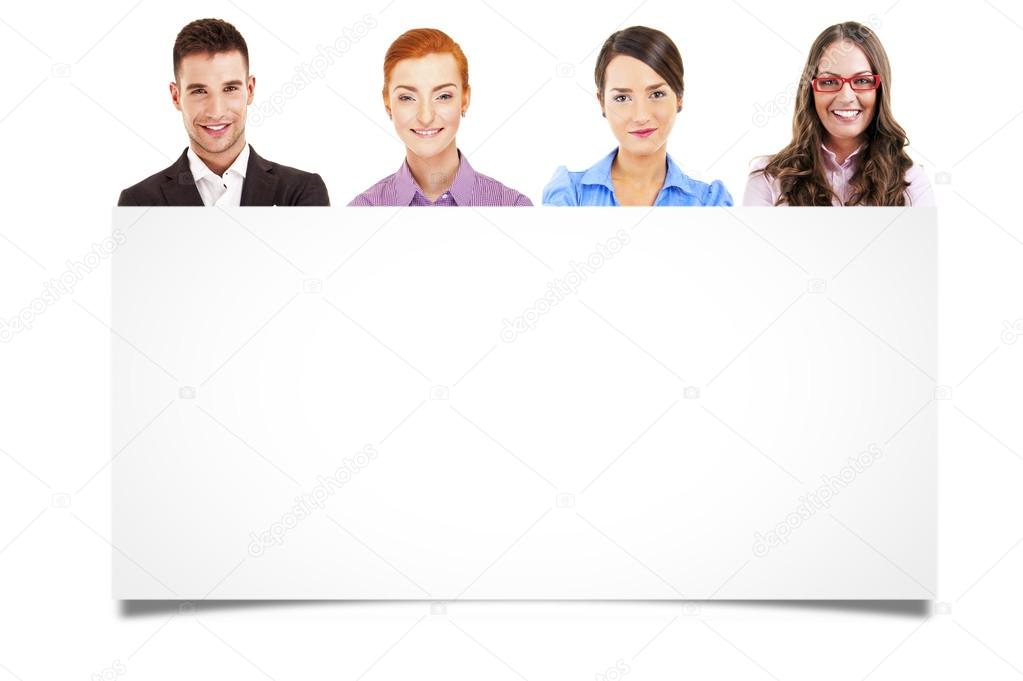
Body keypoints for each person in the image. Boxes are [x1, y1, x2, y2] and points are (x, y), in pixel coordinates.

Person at [118, 18, 329, 206]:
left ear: (250, 90)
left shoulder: (301, 193)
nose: (216, 111)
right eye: (199, 91)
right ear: (176, 96)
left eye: (229, 89)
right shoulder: (139, 203)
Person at [743, 21, 933, 206]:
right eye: (829, 82)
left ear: (880, 90)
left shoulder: (911, 181)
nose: (846, 97)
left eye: (861, 81)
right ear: (811, 91)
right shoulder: (767, 180)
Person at [542, 26, 731, 207]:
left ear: (679, 96)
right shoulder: (571, 194)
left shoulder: (710, 202)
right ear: (601, 102)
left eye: (656, 94)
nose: (641, 116)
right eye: (622, 98)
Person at [349, 28, 531, 206]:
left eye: (443, 96)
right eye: (407, 98)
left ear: (465, 99)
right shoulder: (360, 212)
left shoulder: (512, 207)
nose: (426, 117)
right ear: (388, 104)